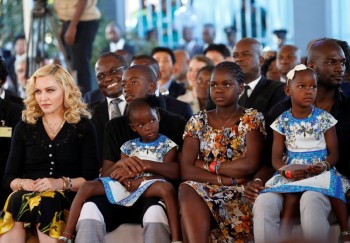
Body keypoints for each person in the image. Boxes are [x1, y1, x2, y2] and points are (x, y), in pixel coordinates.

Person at [249, 38, 350, 243]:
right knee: (263, 203)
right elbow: (270, 159)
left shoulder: (348, 109)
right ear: (311, 66)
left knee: (311, 199)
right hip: (288, 176)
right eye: (332, 62)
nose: (340, 68)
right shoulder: (281, 112)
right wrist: (259, 180)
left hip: (328, 182)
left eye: (342, 62)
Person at [74, 65, 187, 243]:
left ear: (151, 87)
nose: (126, 88)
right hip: (121, 191)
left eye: (133, 83)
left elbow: (180, 172)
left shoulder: (176, 123)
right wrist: (120, 166)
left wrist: (144, 168)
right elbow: (106, 173)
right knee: (90, 207)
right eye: (124, 84)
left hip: (154, 194)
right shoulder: (115, 126)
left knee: (155, 212)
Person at [0, 64, 99, 242]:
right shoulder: (24, 127)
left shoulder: (83, 126)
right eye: (38, 91)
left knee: (46, 202)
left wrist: (60, 183)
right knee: (15, 198)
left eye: (50, 90)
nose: (43, 98)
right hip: (28, 195)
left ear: (66, 90)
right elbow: (8, 178)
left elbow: (90, 179)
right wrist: (24, 183)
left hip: (69, 197)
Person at [178, 61, 266, 242]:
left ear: (241, 87)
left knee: (191, 197)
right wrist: (225, 179)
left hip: (242, 191)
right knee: (187, 188)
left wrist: (205, 165)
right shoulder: (197, 121)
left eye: (226, 84)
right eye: (214, 85)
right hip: (208, 188)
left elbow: (249, 165)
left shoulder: (251, 118)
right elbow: (186, 170)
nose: (218, 89)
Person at [53, 0, 100, 95]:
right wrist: (63, 27)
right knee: (72, 66)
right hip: (68, 21)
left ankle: (85, 103)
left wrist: (72, 26)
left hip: (82, 20)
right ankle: (74, 99)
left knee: (80, 67)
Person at [131, 55, 193, 120]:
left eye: (144, 73)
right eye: (132, 73)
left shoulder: (181, 108)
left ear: (158, 75)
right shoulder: (123, 107)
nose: (137, 78)